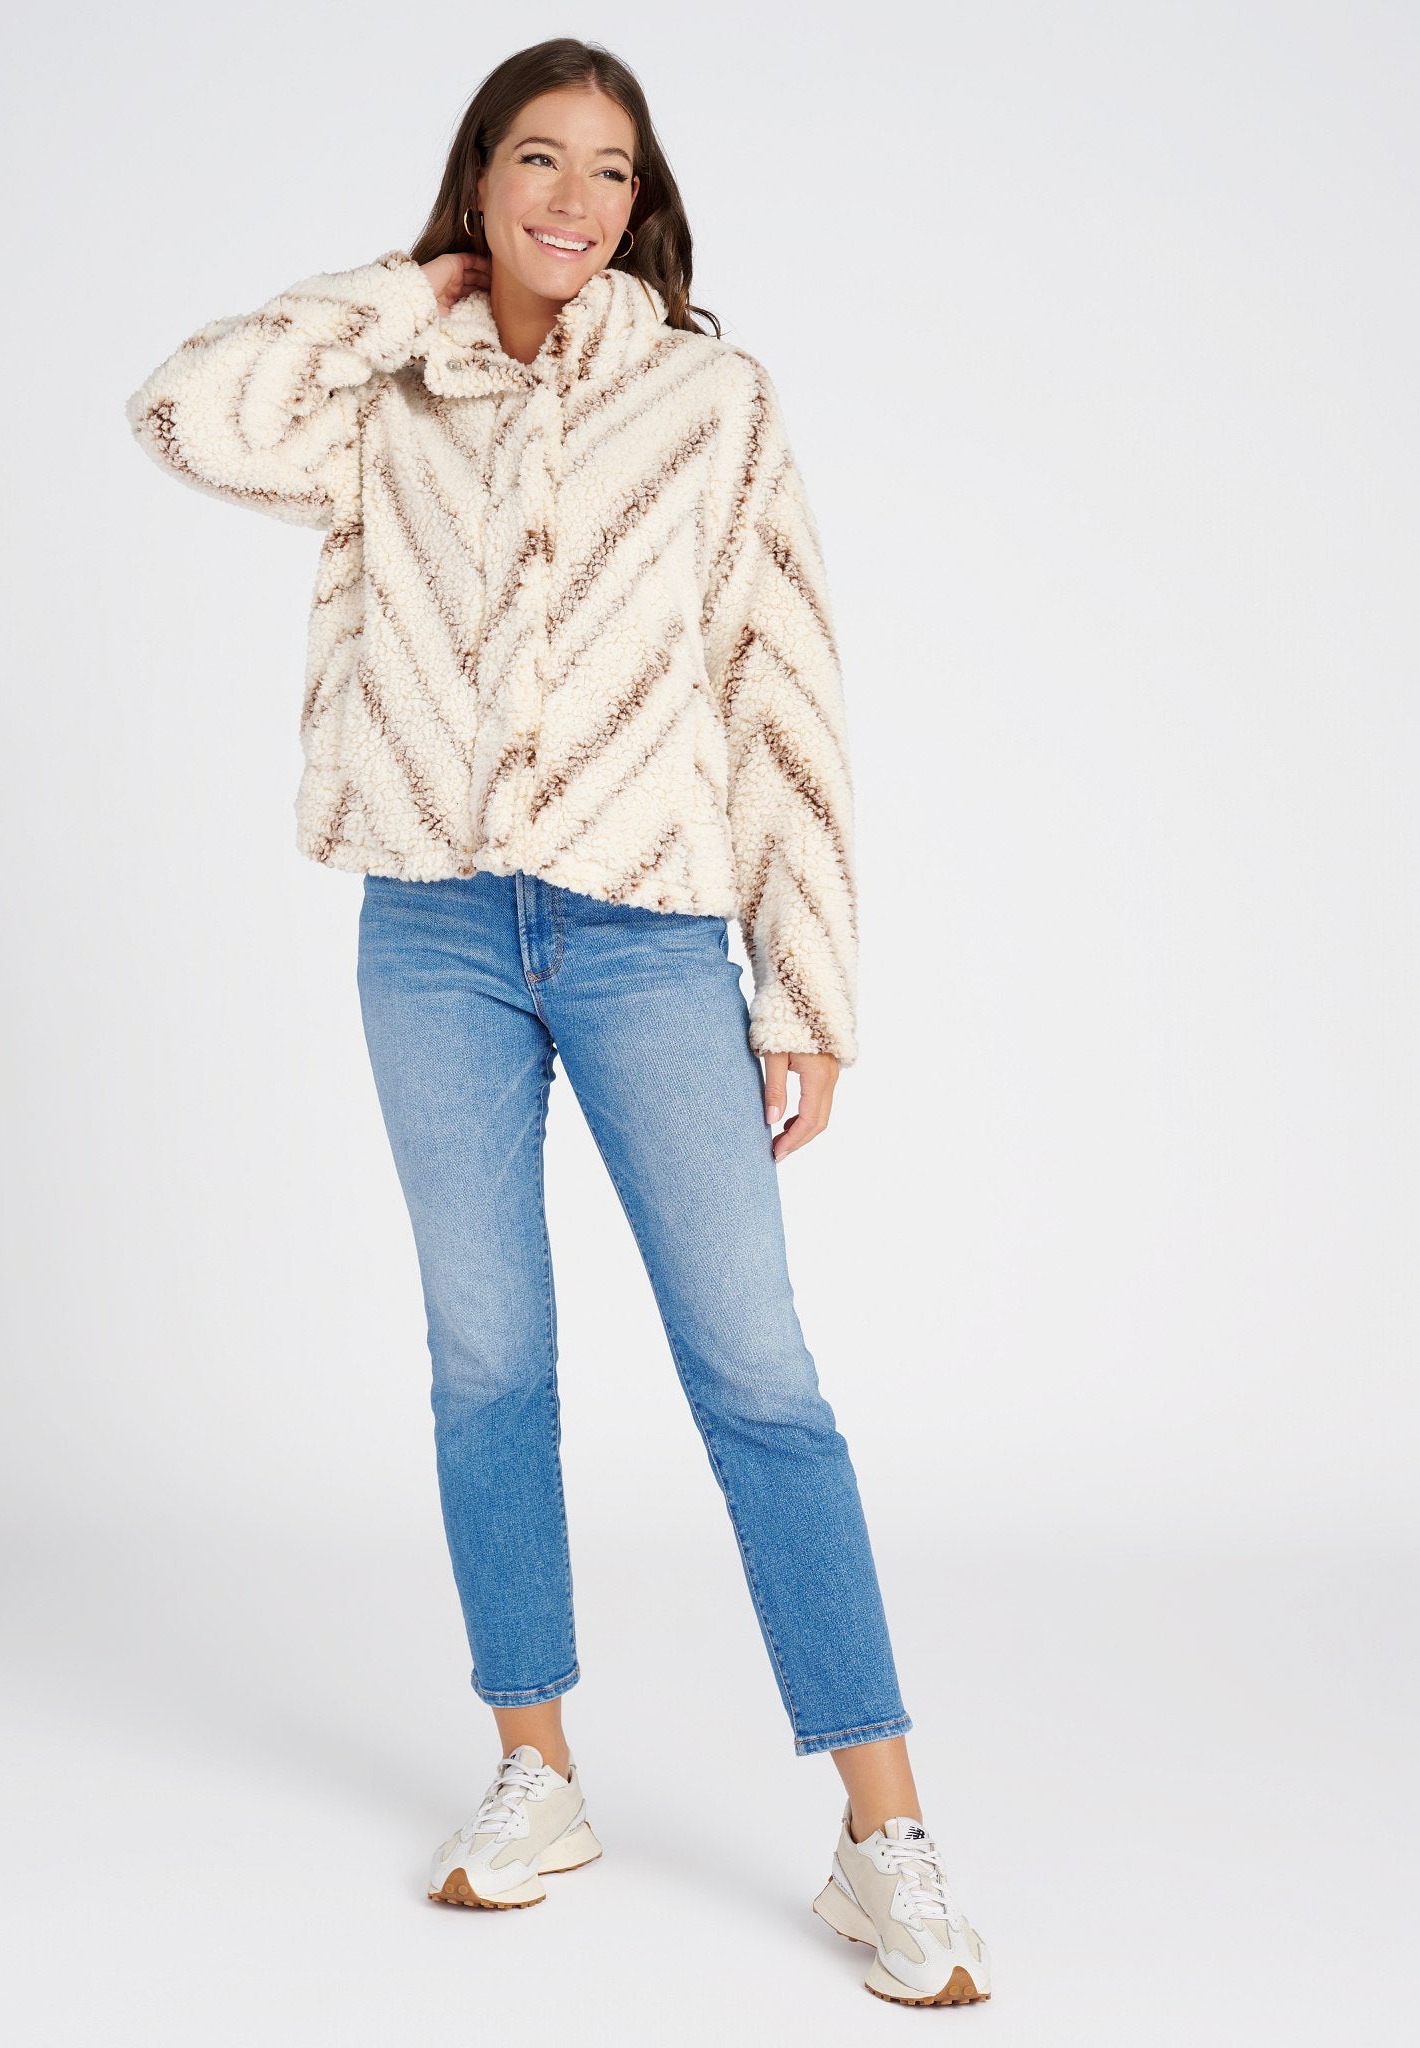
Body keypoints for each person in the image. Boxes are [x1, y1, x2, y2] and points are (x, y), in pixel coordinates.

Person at [123, 34, 992, 2009]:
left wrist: (809, 983)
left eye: (610, 169)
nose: (573, 199)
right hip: (428, 929)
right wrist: (401, 291)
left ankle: (883, 1834)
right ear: (479, 181)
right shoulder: (394, 392)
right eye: (536, 159)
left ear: (641, 201)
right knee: (485, 1358)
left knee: (756, 1371)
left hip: (647, 935)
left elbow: (781, 682)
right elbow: (184, 410)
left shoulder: (708, 400)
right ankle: (536, 1770)